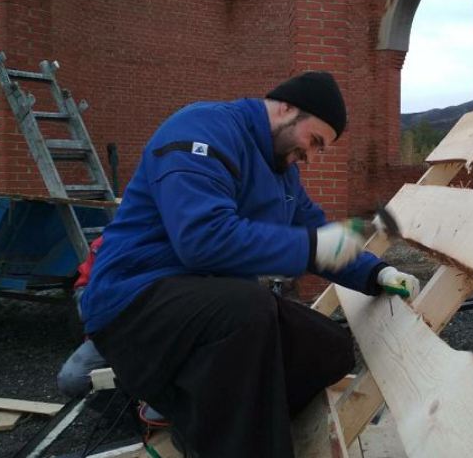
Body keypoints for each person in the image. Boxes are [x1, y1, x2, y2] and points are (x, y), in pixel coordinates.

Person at [79, 71, 419, 457]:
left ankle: (200, 423)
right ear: (286, 109)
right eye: (314, 141)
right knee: (249, 309)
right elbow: (203, 240)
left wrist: (375, 272)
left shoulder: (283, 174)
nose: (311, 156)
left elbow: (316, 233)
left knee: (328, 346)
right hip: (133, 305)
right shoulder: (202, 131)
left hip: (208, 309)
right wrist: (312, 247)